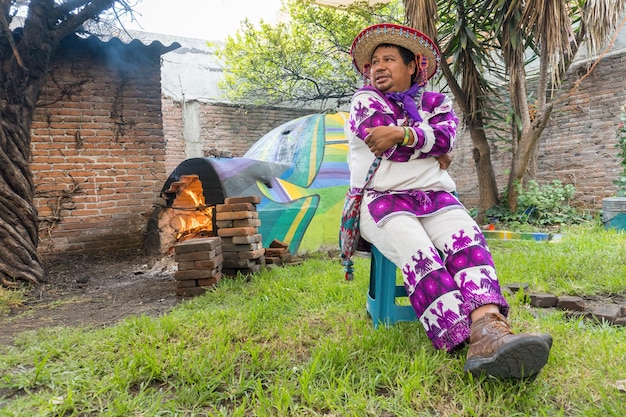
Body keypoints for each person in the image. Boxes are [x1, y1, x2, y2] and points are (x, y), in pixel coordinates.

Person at [345, 23, 552, 379]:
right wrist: (425, 144)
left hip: (435, 197)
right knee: (419, 252)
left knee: (468, 242)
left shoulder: (436, 101)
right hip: (382, 200)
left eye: (389, 59)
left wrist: (407, 134)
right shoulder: (365, 101)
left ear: (412, 66)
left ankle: (489, 327)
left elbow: (447, 139)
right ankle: (478, 339)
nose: (378, 67)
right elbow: (388, 145)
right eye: (374, 61)